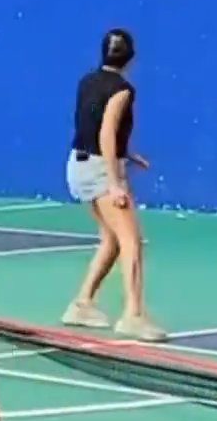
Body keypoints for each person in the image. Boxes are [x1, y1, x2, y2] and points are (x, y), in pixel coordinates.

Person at [62, 28, 166, 342]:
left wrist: (127, 154)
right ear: (131, 58)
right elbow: (106, 132)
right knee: (132, 241)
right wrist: (116, 181)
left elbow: (88, 124)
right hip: (100, 169)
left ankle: (81, 305)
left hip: (77, 165)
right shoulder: (122, 90)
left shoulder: (87, 81)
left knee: (111, 239)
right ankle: (133, 315)